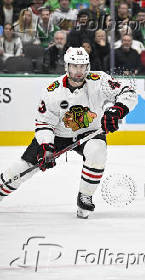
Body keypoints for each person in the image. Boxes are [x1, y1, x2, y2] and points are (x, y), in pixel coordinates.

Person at [0, 47, 137, 219]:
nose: (78, 71)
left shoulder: (99, 80)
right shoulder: (53, 90)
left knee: (97, 151)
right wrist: (46, 147)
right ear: (67, 66)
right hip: (57, 136)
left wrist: (117, 110)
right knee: (23, 166)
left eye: (82, 66)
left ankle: (85, 196)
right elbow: (44, 123)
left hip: (90, 133)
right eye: (74, 66)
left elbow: (129, 92)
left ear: (87, 66)